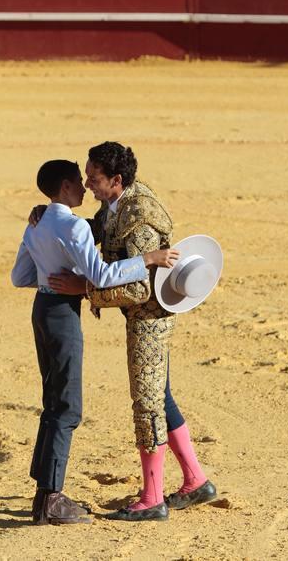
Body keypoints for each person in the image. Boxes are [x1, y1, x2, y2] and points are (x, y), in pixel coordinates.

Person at [46, 142, 217, 521]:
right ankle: (195, 481)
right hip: (141, 313)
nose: (87, 183)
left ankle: (153, 497)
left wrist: (85, 289)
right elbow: (99, 226)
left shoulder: (140, 217)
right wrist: (52, 212)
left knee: (147, 402)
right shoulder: (118, 201)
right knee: (161, 397)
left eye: (93, 177)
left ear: (116, 180)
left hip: (150, 316)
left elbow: (141, 287)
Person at [11, 159, 178, 525]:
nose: (85, 186)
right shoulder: (72, 226)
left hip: (42, 309)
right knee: (67, 406)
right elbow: (101, 276)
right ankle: (51, 499)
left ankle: (43, 495)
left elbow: (19, 275)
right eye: (78, 181)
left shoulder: (37, 224)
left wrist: (48, 275)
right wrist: (146, 259)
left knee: (52, 400)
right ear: (65, 188)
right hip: (63, 315)